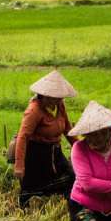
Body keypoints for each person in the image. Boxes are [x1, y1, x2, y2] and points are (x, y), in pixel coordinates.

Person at [14, 70, 77, 208]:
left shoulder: (59, 106)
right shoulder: (34, 110)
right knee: (32, 186)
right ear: (46, 96)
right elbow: (23, 136)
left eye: (61, 97)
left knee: (71, 177)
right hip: (35, 153)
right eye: (57, 97)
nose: (60, 100)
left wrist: (78, 146)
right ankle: (24, 212)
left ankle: (68, 207)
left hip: (55, 150)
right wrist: (19, 165)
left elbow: (67, 128)